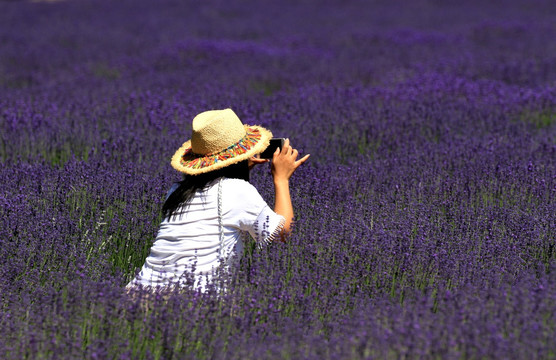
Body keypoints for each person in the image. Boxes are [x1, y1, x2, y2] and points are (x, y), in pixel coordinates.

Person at [126, 108, 309, 292]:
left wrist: (239, 170)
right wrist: (281, 179)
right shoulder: (238, 191)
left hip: (136, 296)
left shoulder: (176, 191)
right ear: (241, 154)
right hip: (187, 305)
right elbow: (283, 234)